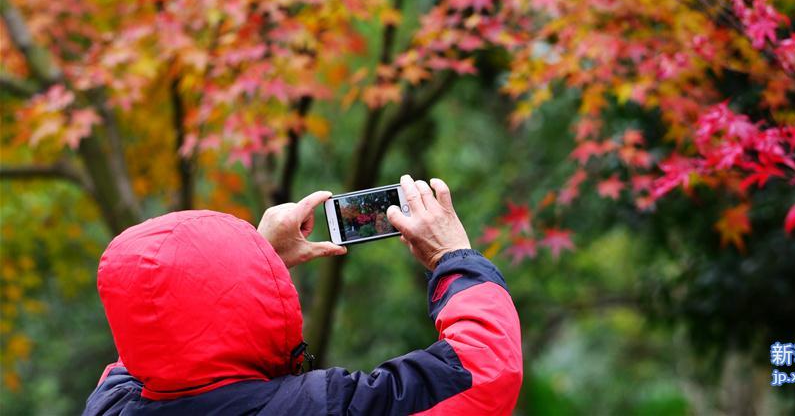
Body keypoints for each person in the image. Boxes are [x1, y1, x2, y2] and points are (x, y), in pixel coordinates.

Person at [82, 175, 523, 415]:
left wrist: (249, 260)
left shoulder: (110, 401)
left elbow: (158, 323)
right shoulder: (319, 406)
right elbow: (482, 370)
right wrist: (452, 255)